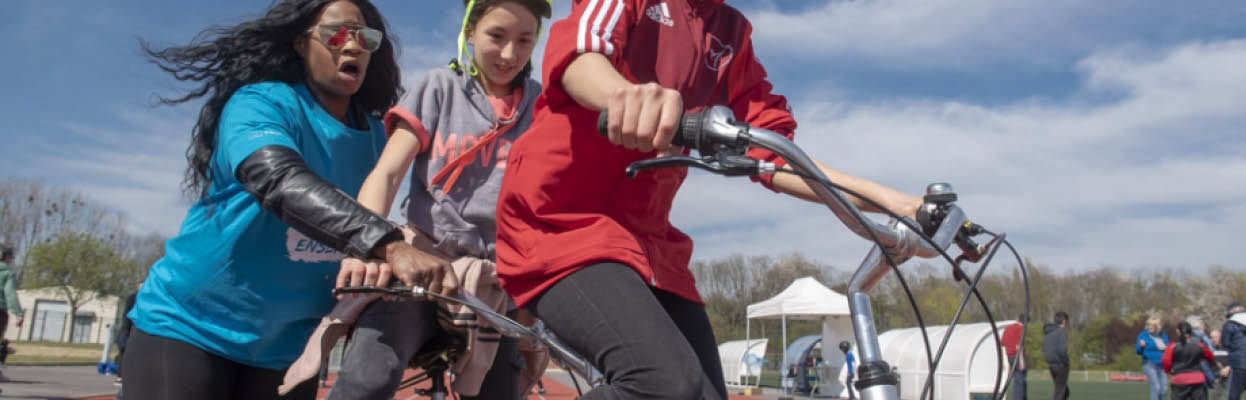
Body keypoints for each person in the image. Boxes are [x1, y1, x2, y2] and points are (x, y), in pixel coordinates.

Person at [493, 0, 924, 398]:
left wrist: (898, 204)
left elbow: (773, 151)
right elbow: (583, 52)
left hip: (650, 244)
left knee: (705, 394)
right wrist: (625, 95)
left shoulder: (731, 35)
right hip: (560, 222)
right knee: (663, 383)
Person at [122, 1, 456, 399]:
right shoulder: (261, 103)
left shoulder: (376, 137)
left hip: (289, 351)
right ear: (300, 43)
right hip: (190, 327)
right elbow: (276, 178)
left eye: (365, 38)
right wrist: (389, 246)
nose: (352, 47)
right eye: (335, 33)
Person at [302, 0, 552, 399]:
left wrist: (535, 309)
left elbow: (549, 206)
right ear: (470, 32)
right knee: (368, 377)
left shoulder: (542, 107)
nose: (510, 54)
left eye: (524, 40)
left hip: (494, 282)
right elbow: (386, 173)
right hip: (423, 268)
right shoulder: (438, 88)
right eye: (496, 36)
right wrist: (362, 247)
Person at [1164, 321, 1216, 400]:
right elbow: (1210, 357)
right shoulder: (1199, 345)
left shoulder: (1172, 346)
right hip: (1197, 379)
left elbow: (1166, 362)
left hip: (1179, 380)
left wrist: (1169, 371)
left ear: (1178, 331)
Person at [0, 245, 23, 382]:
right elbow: (10, 294)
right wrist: (18, 313)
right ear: (6, 257)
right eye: (11, 256)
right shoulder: (8, 272)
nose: (13, 259)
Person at [1137, 316, 1171, 400]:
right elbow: (1138, 351)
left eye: (1153, 325)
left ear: (1157, 326)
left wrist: (1166, 348)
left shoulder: (1162, 335)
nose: (1150, 327)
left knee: (1164, 389)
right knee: (1156, 387)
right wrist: (1141, 346)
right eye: (1149, 325)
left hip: (1162, 365)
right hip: (1149, 364)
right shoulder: (1143, 335)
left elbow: (1168, 347)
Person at [1042, 311, 1070, 400]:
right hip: (1060, 364)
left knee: (1063, 390)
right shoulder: (1061, 331)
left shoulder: (1047, 332)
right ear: (1064, 321)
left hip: (1051, 364)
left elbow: (1045, 348)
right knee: (1060, 392)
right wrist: (1066, 362)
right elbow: (1062, 350)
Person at [1001, 313, 1028, 400]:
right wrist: (1021, 361)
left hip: (1009, 356)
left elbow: (1002, 343)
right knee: (1020, 380)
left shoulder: (1008, 328)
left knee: (1016, 379)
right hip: (1017, 356)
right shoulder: (1021, 329)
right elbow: (1019, 345)